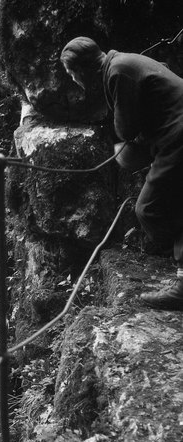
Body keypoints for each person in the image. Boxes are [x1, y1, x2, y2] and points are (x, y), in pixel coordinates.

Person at [60, 36, 183, 310]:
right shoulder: (123, 62)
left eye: (70, 73)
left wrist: (126, 148)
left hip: (178, 137)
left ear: (80, 70)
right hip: (174, 136)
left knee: (150, 209)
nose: (73, 80)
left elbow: (125, 129)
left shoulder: (118, 73)